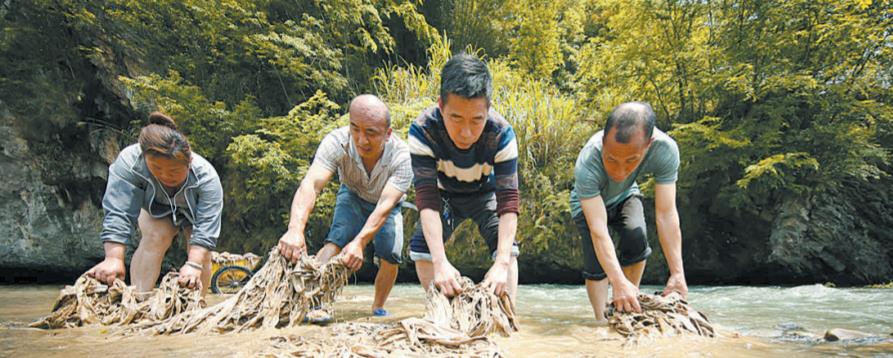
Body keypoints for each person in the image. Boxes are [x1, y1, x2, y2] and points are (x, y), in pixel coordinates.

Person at [277, 94, 412, 318]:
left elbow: (385, 206)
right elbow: (311, 183)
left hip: (387, 206)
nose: (361, 140)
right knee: (336, 240)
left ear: (388, 134)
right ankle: (313, 300)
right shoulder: (336, 142)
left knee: (391, 253)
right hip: (352, 195)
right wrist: (295, 229)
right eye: (355, 129)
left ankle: (377, 306)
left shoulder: (402, 157)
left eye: (371, 133)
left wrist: (359, 242)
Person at [408, 53, 520, 300]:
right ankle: (440, 316)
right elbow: (427, 200)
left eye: (477, 120)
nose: (466, 132)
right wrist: (440, 263)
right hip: (444, 195)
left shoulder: (502, 134)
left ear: (488, 109)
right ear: (441, 105)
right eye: (455, 118)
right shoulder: (423, 130)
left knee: (508, 251)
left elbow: (509, 202)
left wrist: (501, 264)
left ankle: (509, 323)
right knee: (422, 248)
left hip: (486, 193)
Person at [570, 101, 687, 324]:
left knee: (636, 235)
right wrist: (617, 280)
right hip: (588, 203)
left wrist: (677, 273)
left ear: (648, 145)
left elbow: (666, 214)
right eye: (611, 159)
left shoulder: (665, 149)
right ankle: (600, 321)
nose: (619, 171)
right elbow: (598, 230)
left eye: (631, 161)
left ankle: (626, 304)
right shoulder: (587, 160)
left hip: (626, 195)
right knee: (596, 264)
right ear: (603, 141)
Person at [87, 112, 224, 297]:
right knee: (156, 236)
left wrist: (193, 264)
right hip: (155, 208)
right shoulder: (130, 162)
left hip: (194, 212)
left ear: (189, 162)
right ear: (144, 158)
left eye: (174, 170)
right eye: (157, 169)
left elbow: (207, 228)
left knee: (200, 255)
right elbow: (119, 211)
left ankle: (197, 305)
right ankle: (139, 301)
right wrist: (113, 257)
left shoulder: (207, 177)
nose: (166, 176)